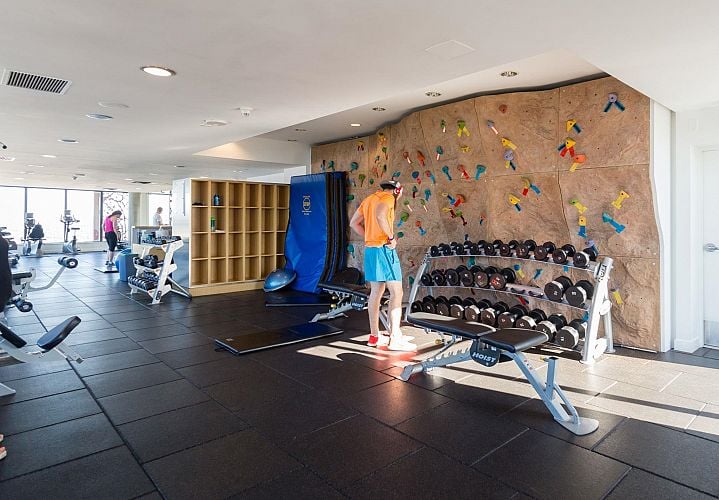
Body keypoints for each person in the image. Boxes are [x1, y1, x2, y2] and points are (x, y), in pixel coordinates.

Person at [349, 180, 416, 351]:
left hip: (371, 251)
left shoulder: (370, 199)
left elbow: (353, 223)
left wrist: (369, 237)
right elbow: (380, 215)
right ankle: (395, 338)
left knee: (376, 292)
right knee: (397, 292)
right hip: (384, 249)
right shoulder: (388, 198)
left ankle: (374, 336)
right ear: (397, 191)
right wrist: (391, 238)